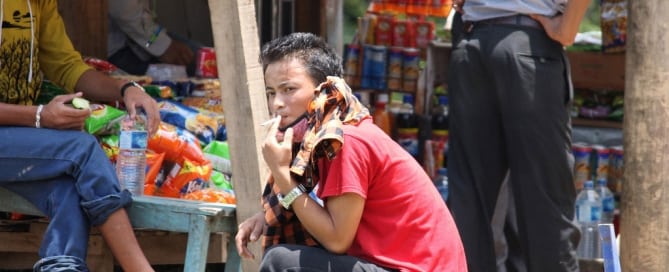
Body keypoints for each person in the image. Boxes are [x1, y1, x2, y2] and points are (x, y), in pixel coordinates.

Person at [235, 32, 467, 271]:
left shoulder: (343, 141)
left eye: (289, 89)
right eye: (271, 93)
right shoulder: (328, 134)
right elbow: (315, 208)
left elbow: (337, 240)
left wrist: (282, 174)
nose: (276, 104)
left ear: (323, 90)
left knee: (280, 262)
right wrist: (267, 217)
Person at [0, 1, 159, 271]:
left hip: (14, 141)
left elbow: (67, 65)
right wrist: (40, 116)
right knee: (80, 150)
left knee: (70, 190)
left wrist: (125, 88)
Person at [446, 0, 591, 271]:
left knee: (468, 202)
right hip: (527, 45)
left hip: (472, 44)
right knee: (544, 199)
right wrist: (567, 27)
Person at [107, 0, 197, 75]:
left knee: (205, 60)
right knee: (199, 68)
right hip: (120, 50)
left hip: (149, 33)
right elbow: (125, 12)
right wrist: (163, 45)